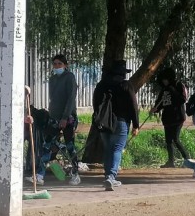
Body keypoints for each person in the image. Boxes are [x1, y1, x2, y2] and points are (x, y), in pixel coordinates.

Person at [27, 54, 81, 186]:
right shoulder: (53, 79)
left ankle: (75, 174)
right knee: (47, 145)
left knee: (70, 146)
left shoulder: (69, 78)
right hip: (54, 117)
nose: (57, 66)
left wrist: (65, 117)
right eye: (55, 64)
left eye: (59, 64)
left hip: (68, 118)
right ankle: (40, 175)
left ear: (65, 65)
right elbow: (53, 99)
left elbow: (70, 99)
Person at [92, 59, 140, 191]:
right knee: (117, 148)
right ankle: (111, 177)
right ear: (123, 73)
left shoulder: (101, 85)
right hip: (121, 121)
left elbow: (96, 103)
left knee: (108, 149)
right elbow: (133, 105)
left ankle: (108, 175)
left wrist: (98, 119)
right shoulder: (125, 85)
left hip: (104, 122)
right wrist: (136, 125)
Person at [150, 67, 192, 168]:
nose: (164, 81)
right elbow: (160, 103)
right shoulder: (164, 89)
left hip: (177, 117)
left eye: (165, 79)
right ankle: (170, 162)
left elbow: (183, 99)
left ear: (169, 78)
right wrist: (155, 109)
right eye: (163, 80)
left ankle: (187, 159)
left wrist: (172, 90)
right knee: (168, 140)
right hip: (167, 118)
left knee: (175, 138)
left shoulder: (178, 85)